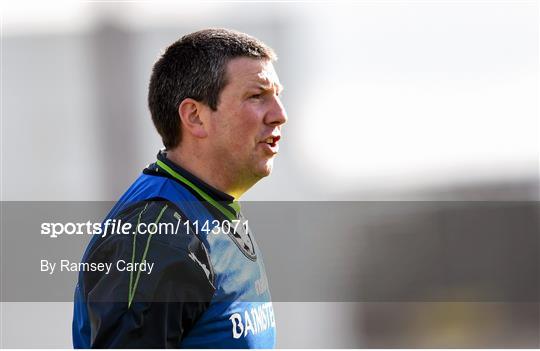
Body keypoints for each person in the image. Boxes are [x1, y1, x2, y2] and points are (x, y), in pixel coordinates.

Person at [72, 28, 287, 348]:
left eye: (277, 95)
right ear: (195, 116)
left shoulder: (212, 207)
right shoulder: (158, 234)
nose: (279, 115)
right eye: (256, 96)